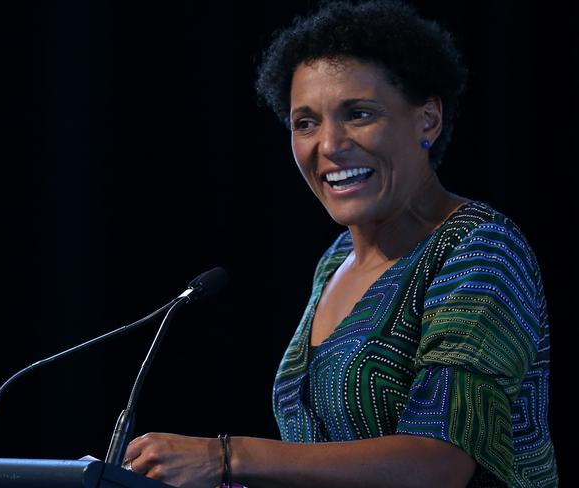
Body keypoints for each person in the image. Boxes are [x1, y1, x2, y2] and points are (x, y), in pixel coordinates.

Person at [122, 1, 558, 486]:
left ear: (428, 120)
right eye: (305, 122)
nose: (329, 145)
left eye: (359, 114)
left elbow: (441, 462)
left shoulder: (477, 248)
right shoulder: (334, 262)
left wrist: (226, 456)